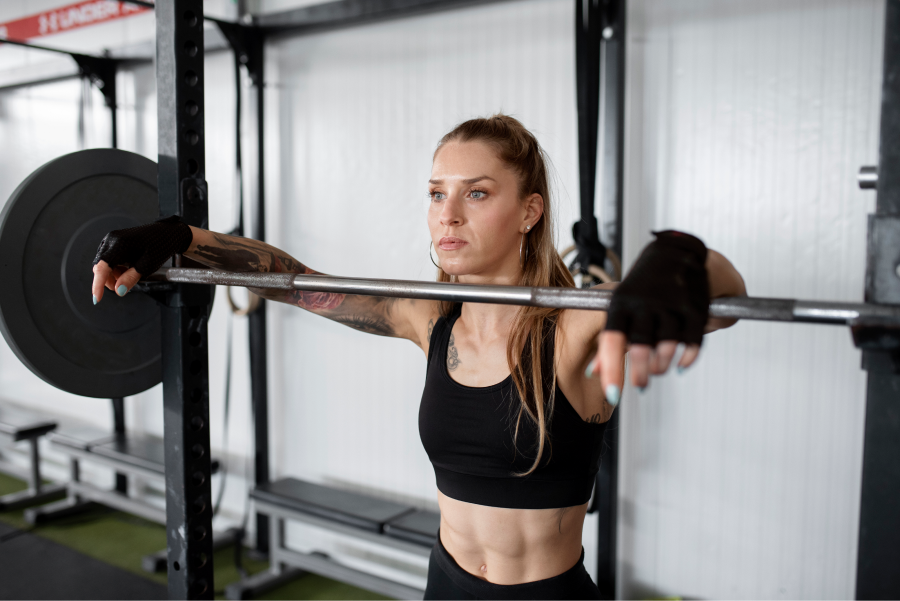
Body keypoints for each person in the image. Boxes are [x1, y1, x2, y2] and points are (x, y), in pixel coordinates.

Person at [91, 114, 746, 600]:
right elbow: (294, 281)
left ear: (530, 211)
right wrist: (181, 240)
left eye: (478, 193)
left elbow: (723, 302)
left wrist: (682, 257)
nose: (448, 214)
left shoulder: (571, 328)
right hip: (445, 582)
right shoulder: (430, 316)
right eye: (437, 193)